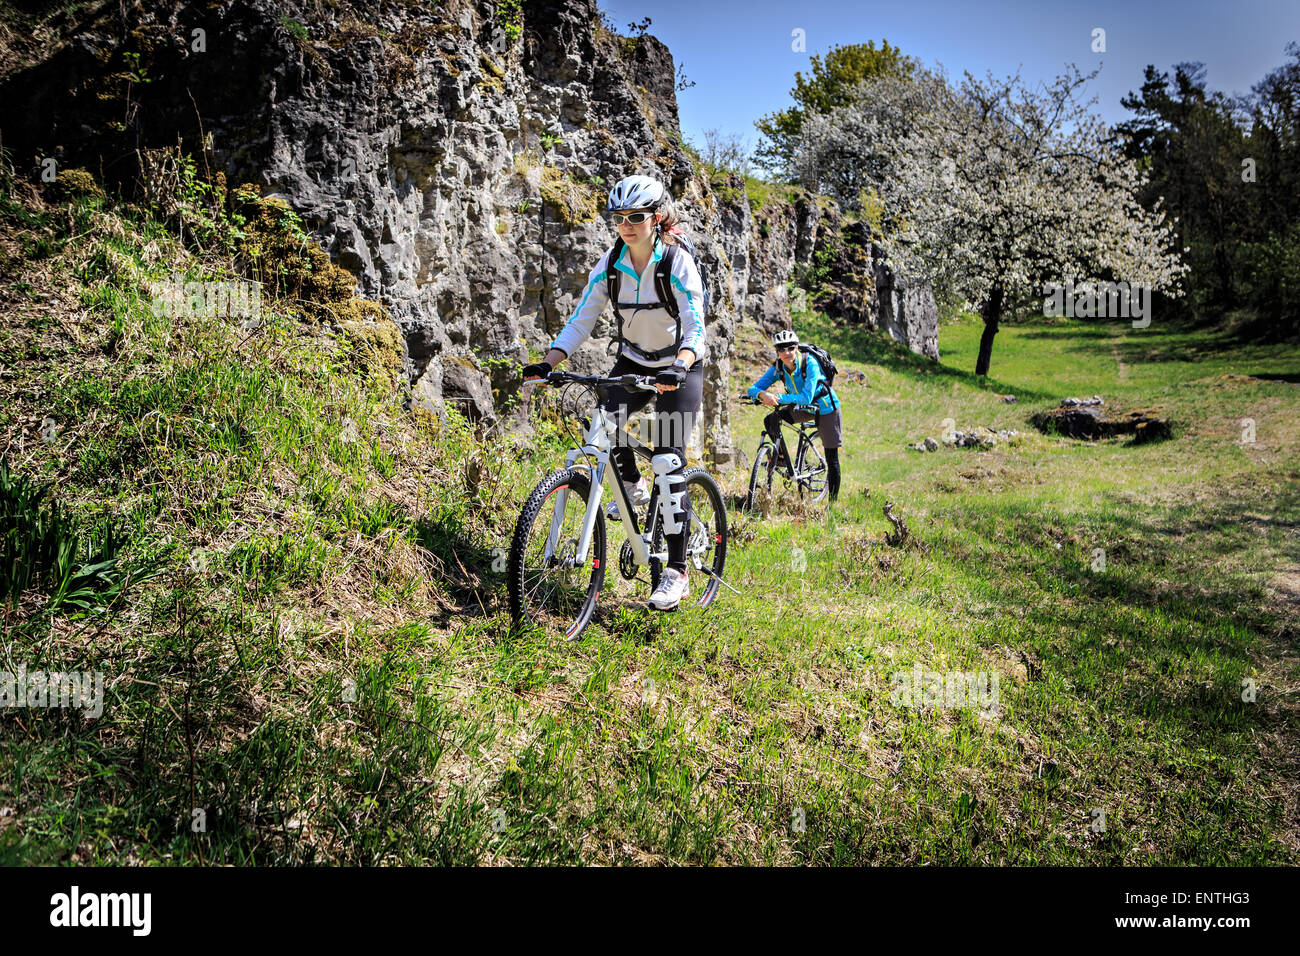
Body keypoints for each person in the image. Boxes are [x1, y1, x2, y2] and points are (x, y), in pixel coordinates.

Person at [522, 174, 705, 611]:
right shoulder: (610, 264)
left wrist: (681, 363)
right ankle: (632, 486)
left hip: (681, 365)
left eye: (636, 217)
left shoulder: (676, 262)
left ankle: (676, 572)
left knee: (668, 457)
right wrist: (551, 361)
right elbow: (583, 317)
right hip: (635, 359)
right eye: (619, 217)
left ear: (657, 217)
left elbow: (695, 320)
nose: (626, 224)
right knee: (603, 423)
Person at [746, 329, 843, 501]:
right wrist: (762, 395)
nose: (786, 353)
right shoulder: (778, 368)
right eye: (781, 349)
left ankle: (832, 505)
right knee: (771, 420)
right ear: (777, 352)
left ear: (796, 348)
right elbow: (753, 389)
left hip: (826, 408)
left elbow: (807, 396)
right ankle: (782, 458)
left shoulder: (810, 363)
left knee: (831, 457)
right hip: (802, 408)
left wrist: (778, 397)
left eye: (790, 348)